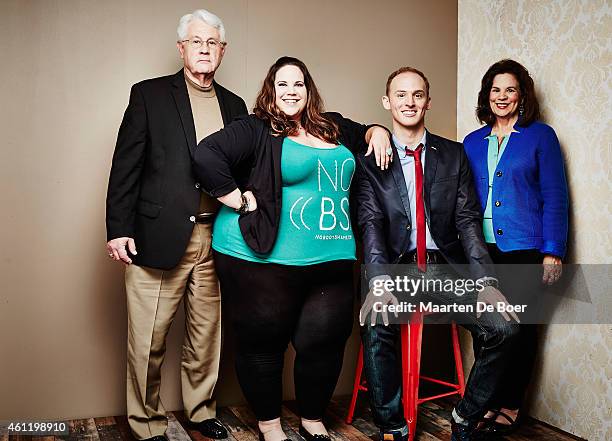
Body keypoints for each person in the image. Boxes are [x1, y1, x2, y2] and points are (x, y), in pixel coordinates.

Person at [190, 56, 391, 441]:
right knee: (263, 345)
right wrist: (239, 200)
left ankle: (312, 418)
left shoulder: (331, 126)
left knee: (326, 343)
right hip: (261, 258)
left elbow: (364, 132)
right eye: (282, 84)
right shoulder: (255, 129)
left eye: (298, 84)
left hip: (332, 256)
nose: (291, 91)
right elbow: (205, 155)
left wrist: (377, 131)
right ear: (271, 90)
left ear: (308, 89)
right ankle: (269, 423)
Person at [355, 67, 521, 441]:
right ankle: (392, 427)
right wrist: (379, 283)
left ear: (428, 102)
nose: (409, 102)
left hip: (445, 271)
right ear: (387, 102)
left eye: (417, 95)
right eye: (400, 95)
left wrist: (486, 282)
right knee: (376, 320)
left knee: (505, 327)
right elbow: (371, 225)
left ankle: (465, 416)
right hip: (397, 268)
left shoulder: (454, 155)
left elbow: (466, 222)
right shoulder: (368, 161)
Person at [105, 9, 247, 441]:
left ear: (222, 51)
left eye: (213, 43)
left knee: (206, 337)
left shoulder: (235, 105)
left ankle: (202, 412)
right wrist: (117, 228)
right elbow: (125, 166)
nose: (205, 50)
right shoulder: (148, 95)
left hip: (216, 235)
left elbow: (243, 169)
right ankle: (145, 423)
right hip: (156, 236)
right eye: (197, 42)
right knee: (147, 341)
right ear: (181, 47)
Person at [463, 59, 568, 437]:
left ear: (522, 95)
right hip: (481, 251)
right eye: (495, 89)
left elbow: (555, 195)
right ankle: (488, 401)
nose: (502, 96)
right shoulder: (472, 142)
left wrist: (553, 250)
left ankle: (509, 405)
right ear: (486, 95)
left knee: (520, 331)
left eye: (510, 89)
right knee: (489, 331)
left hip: (525, 249)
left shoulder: (541, 136)